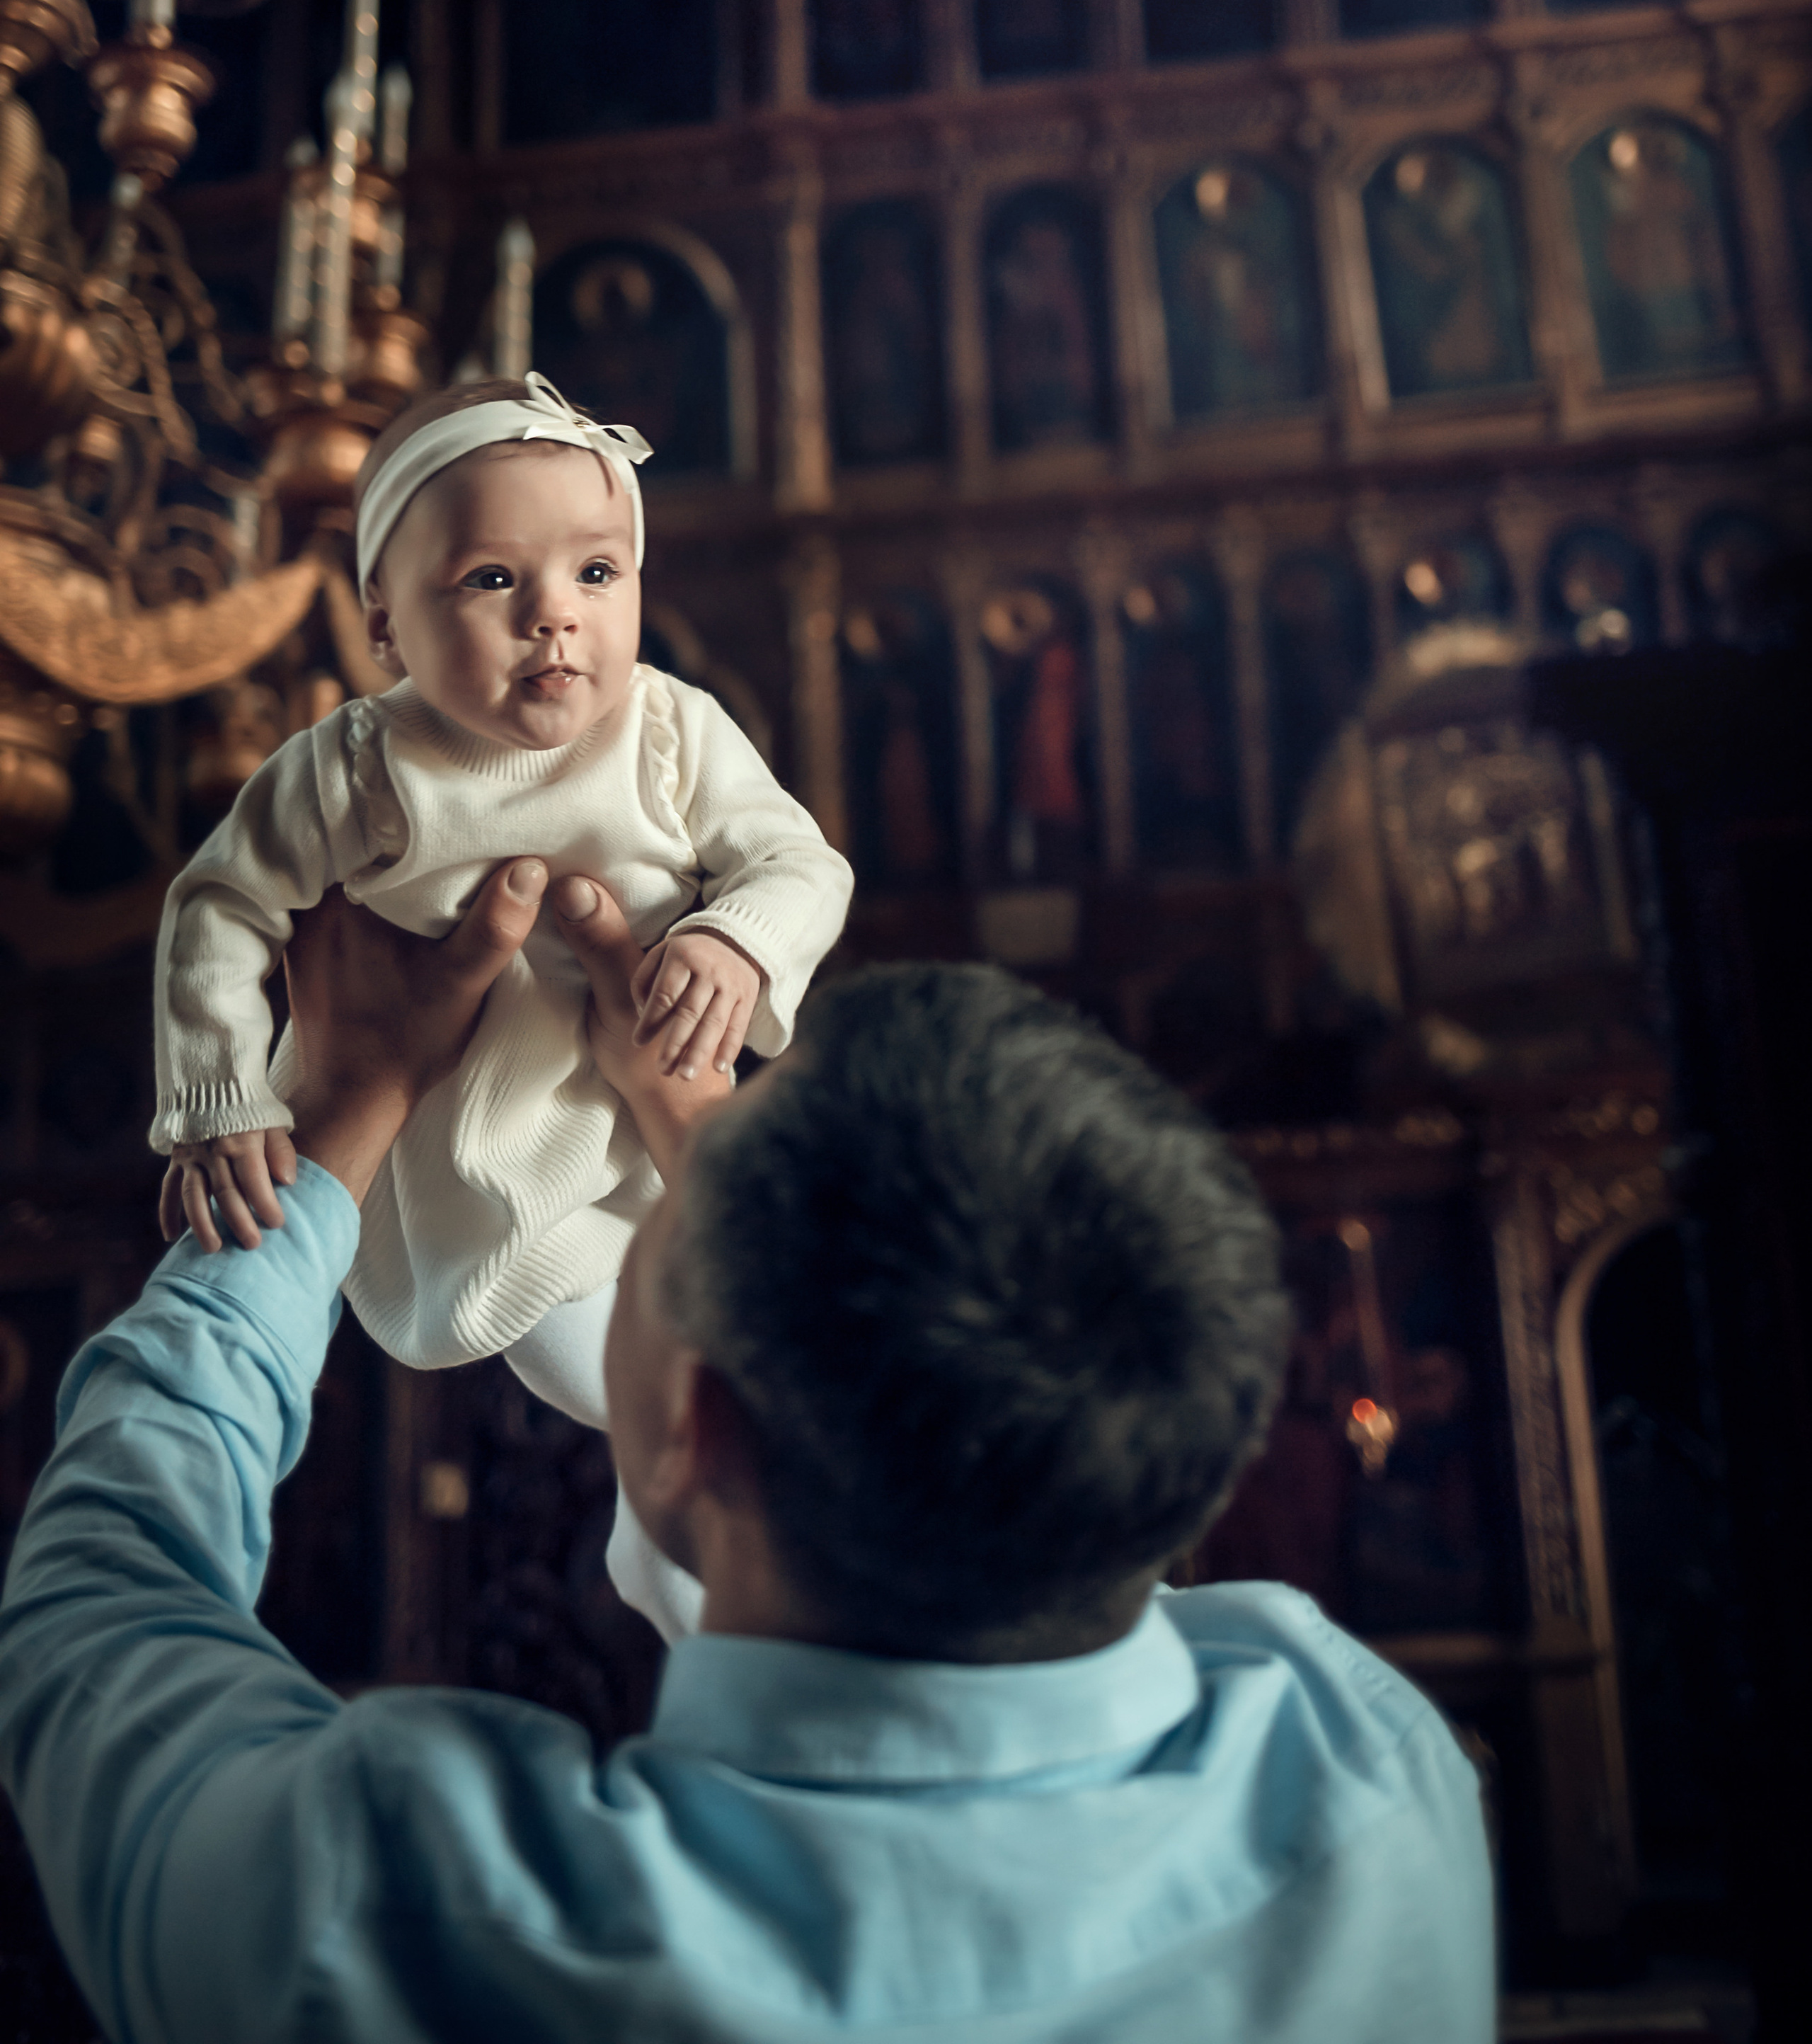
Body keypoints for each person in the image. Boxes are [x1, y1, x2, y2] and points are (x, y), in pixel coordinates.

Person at [0, 865, 1494, 2043]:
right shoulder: (1361, 1769)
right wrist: (679, 1096)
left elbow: (101, 1600)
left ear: (691, 1429)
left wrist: (340, 1111)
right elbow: (1032, 1442)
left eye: (662, 1232)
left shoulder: (401, 1917)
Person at [149, 371, 851, 1635]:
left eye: (596, 574)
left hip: (655, 1131)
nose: (555, 622)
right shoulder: (359, 764)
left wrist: (740, 940)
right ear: (383, 622)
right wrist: (219, 1091)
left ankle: (683, 1553)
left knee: (756, 1370)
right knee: (680, 1399)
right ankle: (695, 1565)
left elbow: (802, 865)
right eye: (491, 582)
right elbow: (220, 908)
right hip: (494, 1185)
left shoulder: (671, 734)